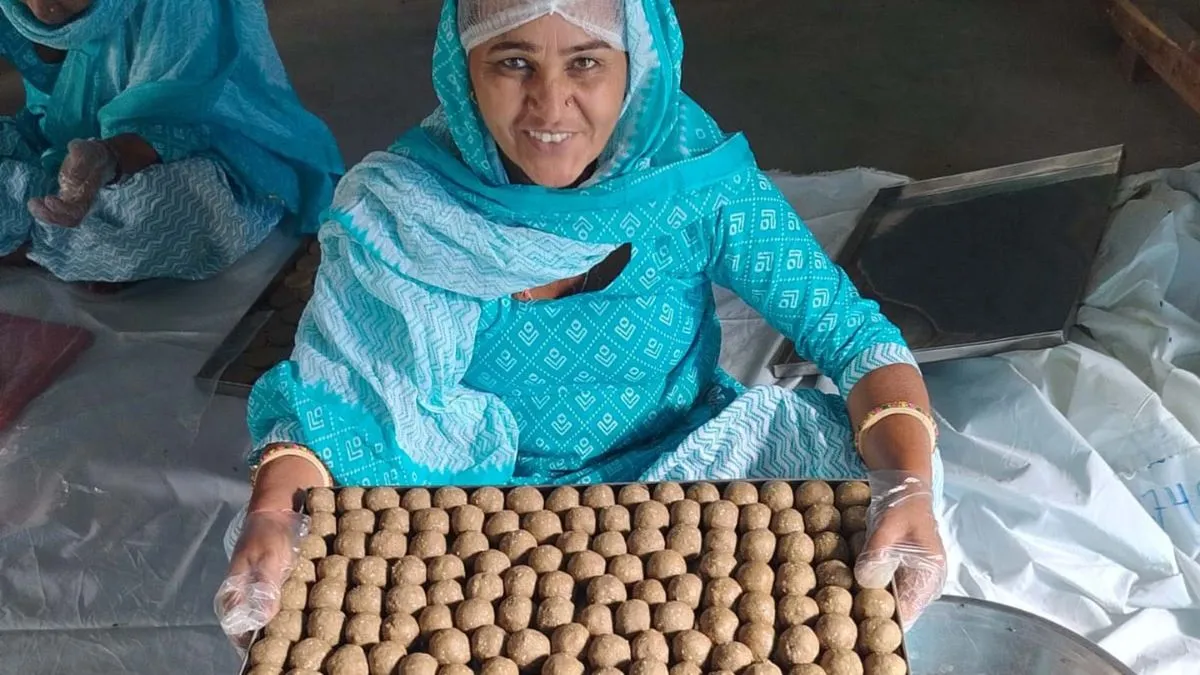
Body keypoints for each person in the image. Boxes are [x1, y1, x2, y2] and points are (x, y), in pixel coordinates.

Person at [216, 0, 947, 643]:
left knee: (874, 470)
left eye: (586, 62)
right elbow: (337, 407)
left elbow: (852, 338)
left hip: (687, 478)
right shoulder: (404, 212)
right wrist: (275, 513)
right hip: (479, 510)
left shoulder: (686, 176)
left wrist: (908, 483)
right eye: (513, 62)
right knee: (302, 570)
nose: (550, 105)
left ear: (637, 62)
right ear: (462, 67)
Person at [0, 0, 343, 283]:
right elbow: (48, 91)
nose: (41, 6)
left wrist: (107, 158)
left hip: (194, 142)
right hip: (54, 135)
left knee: (187, 207)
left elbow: (174, 115)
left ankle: (38, 239)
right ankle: (71, 243)